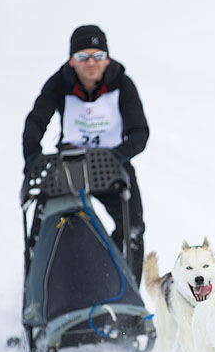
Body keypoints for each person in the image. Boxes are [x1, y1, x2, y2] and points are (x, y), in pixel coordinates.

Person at [22, 24, 149, 285]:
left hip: (111, 163)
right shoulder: (58, 84)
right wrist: (33, 157)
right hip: (69, 164)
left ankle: (123, 290)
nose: (91, 63)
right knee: (42, 228)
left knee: (132, 228)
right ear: (72, 60)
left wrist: (120, 155)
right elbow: (35, 122)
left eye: (97, 56)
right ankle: (36, 290)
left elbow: (140, 132)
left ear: (107, 59)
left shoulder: (123, 84)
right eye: (83, 57)